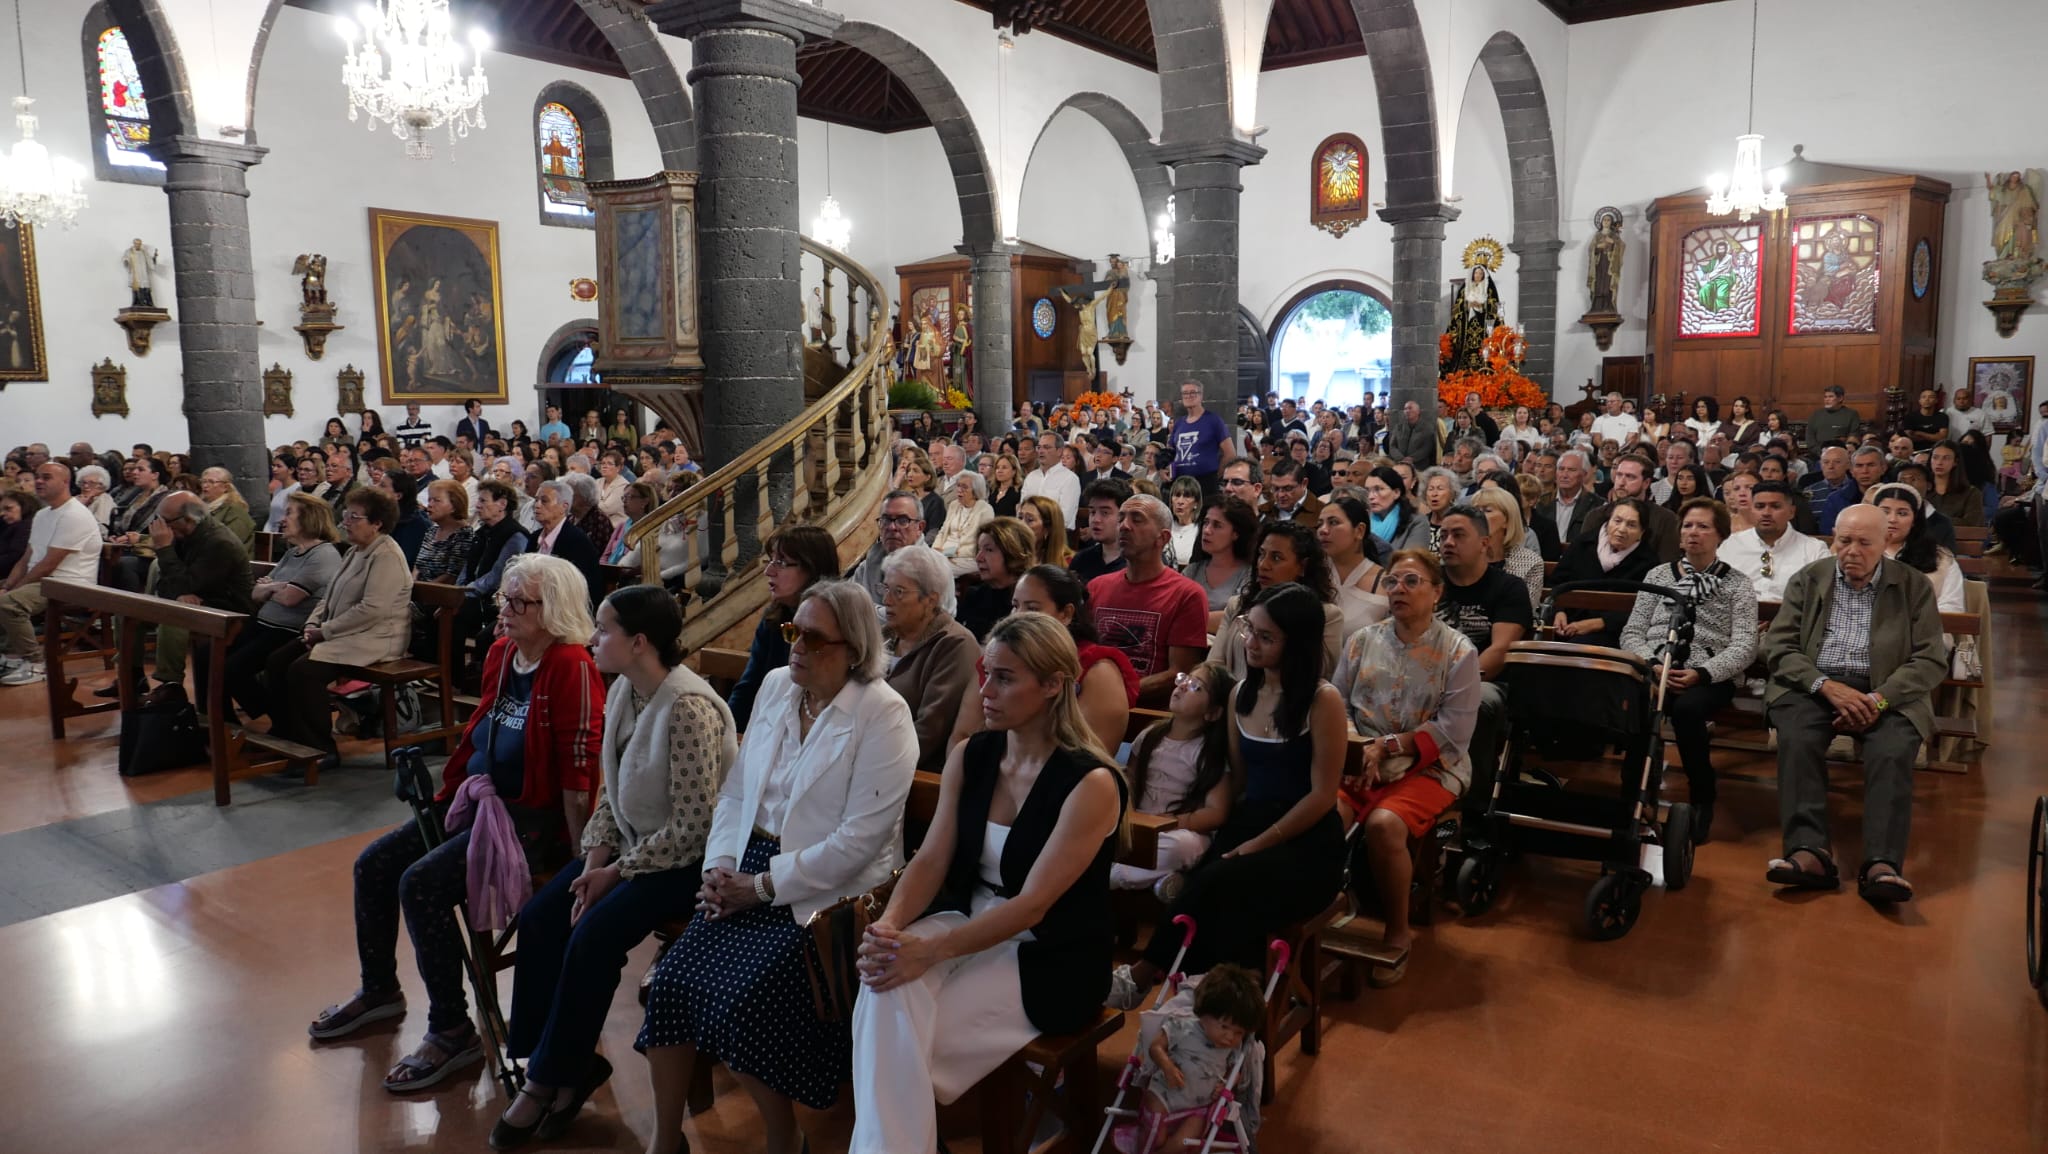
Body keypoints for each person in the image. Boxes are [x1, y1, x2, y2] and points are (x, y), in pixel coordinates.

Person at [306, 554, 601, 1093]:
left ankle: (451, 1028)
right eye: (503, 599)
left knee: (420, 885)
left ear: (553, 609)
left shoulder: (571, 665)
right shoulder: (502, 652)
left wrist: (578, 857)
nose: (504, 611)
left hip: (532, 819)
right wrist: (451, 794)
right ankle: (380, 990)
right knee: (374, 865)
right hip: (480, 800)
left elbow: (579, 770)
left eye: (518, 602)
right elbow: (480, 732)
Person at [640, 581, 916, 1154]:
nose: (795, 646)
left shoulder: (883, 714)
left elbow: (859, 843)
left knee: (746, 1001)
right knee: (667, 985)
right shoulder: (775, 688)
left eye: (814, 638)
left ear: (855, 649)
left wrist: (761, 887)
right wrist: (718, 871)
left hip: (825, 892)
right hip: (745, 867)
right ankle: (666, 1140)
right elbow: (736, 795)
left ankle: (783, 1137)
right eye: (794, 630)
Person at [848, 612, 1124, 1154]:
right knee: (884, 989)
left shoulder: (1091, 781)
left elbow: (1032, 906)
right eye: (985, 673)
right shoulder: (971, 755)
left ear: (1051, 685)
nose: (986, 691)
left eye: (1004, 677)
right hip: (971, 922)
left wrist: (928, 951)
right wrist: (889, 929)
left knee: (896, 1049)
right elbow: (930, 858)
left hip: (1052, 954)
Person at [490, 586, 738, 1148]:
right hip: (632, 852)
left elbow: (694, 828)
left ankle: (546, 1080)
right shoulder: (627, 687)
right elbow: (613, 793)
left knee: (593, 935)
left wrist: (615, 871)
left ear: (640, 642)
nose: (593, 638)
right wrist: (596, 855)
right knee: (541, 916)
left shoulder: (689, 708)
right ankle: (555, 1063)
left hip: (686, 865)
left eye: (603, 629)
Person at [1108, 583, 1347, 1004]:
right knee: (1217, 888)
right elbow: (1238, 780)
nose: (1251, 644)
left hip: (1306, 841)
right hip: (1250, 822)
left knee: (1219, 883)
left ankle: (1157, 978)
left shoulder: (1321, 700)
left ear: (1298, 643)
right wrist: (1216, 829)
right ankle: (1218, 1003)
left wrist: (1258, 842)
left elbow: (1323, 795)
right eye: (1248, 630)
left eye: (1266, 637)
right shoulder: (1241, 694)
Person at [1761, 505, 1946, 905]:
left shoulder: (1912, 585)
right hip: (1814, 685)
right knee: (1797, 738)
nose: (1852, 551)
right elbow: (1778, 646)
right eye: (1844, 540)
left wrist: (1880, 699)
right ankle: (1809, 852)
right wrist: (1824, 685)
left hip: (1887, 689)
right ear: (1833, 539)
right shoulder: (1809, 579)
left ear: (1886, 543)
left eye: (1864, 542)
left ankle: (1882, 863)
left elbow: (1931, 659)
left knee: (1893, 750)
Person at [1330, 549, 1480, 982]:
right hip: (1361, 758)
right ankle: (1313, 915)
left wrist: (1389, 746)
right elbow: (1336, 701)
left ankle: (1397, 931)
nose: (1399, 590)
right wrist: (1357, 749)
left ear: (1437, 592)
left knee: (1383, 824)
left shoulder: (1458, 651)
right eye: (1392, 581)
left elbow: (1453, 730)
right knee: (1324, 815)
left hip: (1431, 766)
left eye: (1412, 582)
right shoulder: (1362, 639)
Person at [1620, 499, 1759, 843]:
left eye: (1703, 527)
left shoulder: (1737, 583)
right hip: (1656, 666)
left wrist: (1702, 672)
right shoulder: (1658, 575)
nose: (1692, 533)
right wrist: (1652, 664)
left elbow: (1744, 644)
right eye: (1687, 526)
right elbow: (1632, 631)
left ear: (1720, 536)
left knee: (1687, 710)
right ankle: (1634, 798)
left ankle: (1701, 798)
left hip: (1708, 673)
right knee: (1641, 707)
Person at [261, 488, 414, 770]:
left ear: (377, 523)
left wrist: (325, 631)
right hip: (343, 633)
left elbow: (373, 609)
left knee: (303, 671)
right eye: (345, 515)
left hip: (376, 639)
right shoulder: (357, 551)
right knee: (276, 660)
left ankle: (321, 748)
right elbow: (329, 596)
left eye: (354, 517)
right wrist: (312, 624)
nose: (345, 522)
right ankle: (290, 734)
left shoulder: (387, 556)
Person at [1433, 504, 1531, 817]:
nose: (1447, 541)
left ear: (1484, 543)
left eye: (1458, 535)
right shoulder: (1427, 581)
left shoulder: (1508, 587)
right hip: (1424, 672)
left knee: (1479, 702)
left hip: (1486, 679)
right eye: (1443, 534)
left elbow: (1501, 650)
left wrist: (1452, 686)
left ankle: (1469, 808)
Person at [1114, 661, 1235, 896]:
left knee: (1178, 847)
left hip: (1182, 831)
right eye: (1184, 679)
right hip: (1140, 824)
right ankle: (1165, 881)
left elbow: (1216, 812)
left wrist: (1174, 822)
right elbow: (1130, 781)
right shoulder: (1150, 735)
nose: (1181, 686)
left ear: (1213, 713)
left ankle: (1107, 877)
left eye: (1196, 687)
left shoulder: (1208, 752)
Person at [1122, 964, 1267, 1154]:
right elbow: (1156, 1047)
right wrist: (1167, 1067)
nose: (1230, 1037)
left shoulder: (1233, 1046)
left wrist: (1227, 1085)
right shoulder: (1184, 1025)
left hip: (1199, 1107)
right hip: (1164, 1094)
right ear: (1203, 1013)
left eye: (1238, 1032)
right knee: (1156, 1136)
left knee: (1183, 1143)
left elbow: (1234, 1070)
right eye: (1224, 1027)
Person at [224, 493, 342, 721]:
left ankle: (279, 718)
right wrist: (277, 587)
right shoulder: (292, 553)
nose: (282, 519)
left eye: (289, 513)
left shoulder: (323, 555)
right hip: (263, 624)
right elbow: (255, 593)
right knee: (208, 654)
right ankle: (222, 720)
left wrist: (271, 588)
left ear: (309, 518)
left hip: (286, 631)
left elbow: (291, 599)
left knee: (232, 668)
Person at [1087, 495, 1210, 706]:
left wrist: (1113, 694)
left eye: (1137, 519)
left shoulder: (1186, 594)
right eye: (1121, 518)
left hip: (1148, 719)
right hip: (1094, 709)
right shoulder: (1097, 587)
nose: (1124, 526)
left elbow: (1179, 673)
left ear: (1162, 538)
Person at [147, 491, 255, 709]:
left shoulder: (219, 542)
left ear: (188, 520)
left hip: (231, 612)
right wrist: (179, 592)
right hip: (202, 602)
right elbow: (168, 583)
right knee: (125, 614)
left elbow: (182, 583)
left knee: (173, 618)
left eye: (165, 522)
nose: (161, 528)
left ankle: (171, 685)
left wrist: (164, 549)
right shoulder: (185, 535)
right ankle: (131, 676)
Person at [881, 544, 981, 776]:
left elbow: (929, 730)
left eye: (898, 592)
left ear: (931, 600)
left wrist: (871, 762)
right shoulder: (885, 636)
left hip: (913, 772)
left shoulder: (955, 645)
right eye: (885, 588)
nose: (886, 600)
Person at [729, 525, 840, 732]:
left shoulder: (838, 624)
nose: (768, 571)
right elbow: (750, 686)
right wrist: (726, 733)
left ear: (811, 568)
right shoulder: (775, 617)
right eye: (770, 561)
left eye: (780, 563)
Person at [0, 465, 100, 687]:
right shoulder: (42, 514)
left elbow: (48, 564)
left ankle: (35, 663)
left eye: (46, 477)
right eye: (37, 477)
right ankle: (8, 657)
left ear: (65, 482)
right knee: (5, 594)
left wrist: (12, 591)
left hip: (69, 584)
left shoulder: (74, 514)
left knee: (9, 604)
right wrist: (8, 584)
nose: (39, 482)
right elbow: (27, 558)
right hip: (44, 581)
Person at [1550, 499, 1658, 646]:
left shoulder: (1648, 562)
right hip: (1565, 623)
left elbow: (1645, 610)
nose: (1621, 529)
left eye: (1631, 525)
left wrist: (1598, 623)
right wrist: (1559, 611)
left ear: (1642, 532)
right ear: (1608, 522)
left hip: (1612, 633)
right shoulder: (1583, 544)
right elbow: (1556, 582)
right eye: (1617, 521)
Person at [1719, 480, 1831, 602]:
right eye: (1760, 506)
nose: (1766, 513)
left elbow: (1821, 599)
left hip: (1792, 618)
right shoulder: (1731, 545)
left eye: (1775, 506)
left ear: (1791, 512)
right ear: (1752, 510)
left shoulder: (1814, 550)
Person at [1868, 483, 1967, 615]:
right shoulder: (1857, 552)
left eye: (1902, 513)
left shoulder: (1940, 558)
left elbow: (1952, 607)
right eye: (1885, 512)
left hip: (1925, 630)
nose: (1892, 519)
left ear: (1914, 519)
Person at [1576, 455, 1679, 563]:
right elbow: (1581, 558)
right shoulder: (1595, 516)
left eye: (1630, 477)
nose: (1621, 482)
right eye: (1619, 475)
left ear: (1646, 483)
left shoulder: (1666, 519)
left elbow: (1667, 566)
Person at [1317, 495, 1392, 639]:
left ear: (1359, 530)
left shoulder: (1384, 582)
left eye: (1333, 522)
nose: (1323, 530)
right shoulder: (1310, 574)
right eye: (1320, 524)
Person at [1468, 487, 1544, 616]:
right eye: (1475, 510)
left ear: (1507, 520)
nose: (1478, 516)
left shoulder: (1531, 562)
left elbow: (1523, 613)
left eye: (1487, 510)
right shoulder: (1462, 555)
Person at [1183, 495, 1256, 628]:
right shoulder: (1192, 571)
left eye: (1217, 525)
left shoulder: (1249, 573)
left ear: (1236, 533)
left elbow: (1238, 618)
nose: (1207, 530)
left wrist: (1188, 620)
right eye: (1206, 522)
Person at [527, 479, 602, 603]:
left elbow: (580, 589)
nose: (537, 505)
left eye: (544, 501)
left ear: (564, 507)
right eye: (536, 500)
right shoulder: (534, 537)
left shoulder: (577, 541)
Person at [959, 517, 1030, 641]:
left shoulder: (1025, 603)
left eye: (989, 550)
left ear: (1013, 553)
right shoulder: (974, 595)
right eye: (979, 549)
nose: (978, 558)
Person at [930, 470, 995, 577]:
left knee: (936, 570)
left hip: (969, 557)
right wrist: (936, 549)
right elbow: (943, 531)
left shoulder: (985, 509)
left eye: (964, 487)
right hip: (944, 554)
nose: (959, 490)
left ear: (975, 491)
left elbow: (982, 541)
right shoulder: (954, 505)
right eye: (958, 486)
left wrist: (952, 554)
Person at [1070, 478, 1133, 583]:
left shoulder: (1137, 563)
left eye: (1105, 513)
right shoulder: (1082, 559)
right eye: (1092, 512)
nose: (1096, 520)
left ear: (1123, 515)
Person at [1818, 446, 1887, 534]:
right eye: (1859, 466)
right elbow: (1827, 533)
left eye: (1871, 465)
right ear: (1851, 471)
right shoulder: (1835, 500)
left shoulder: (1896, 496)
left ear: (1883, 468)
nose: (1865, 471)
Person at [1021, 430, 1081, 530]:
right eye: (1039, 447)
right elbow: (1022, 510)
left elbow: (1065, 518)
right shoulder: (1031, 477)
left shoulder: (1070, 479)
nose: (1041, 451)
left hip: (1057, 536)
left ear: (1059, 451)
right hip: (1028, 534)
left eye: (1046, 447)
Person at [1362, 466, 1429, 553]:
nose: (1370, 496)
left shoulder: (1416, 522)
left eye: (1378, 489)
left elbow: (1412, 560)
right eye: (1367, 490)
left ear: (1396, 493)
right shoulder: (1363, 522)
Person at [1926, 440, 1985, 528]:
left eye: (1946, 458)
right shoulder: (1921, 490)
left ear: (1955, 462)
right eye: (1935, 457)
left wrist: (1933, 520)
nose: (1939, 462)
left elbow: (1972, 523)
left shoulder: (1971, 493)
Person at [1018, 493, 1071, 569]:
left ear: (1048, 527)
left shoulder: (1068, 563)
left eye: (1030, 520)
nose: (1021, 524)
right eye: (1020, 517)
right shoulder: (1011, 557)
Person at [1383, 399, 1438, 466]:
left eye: (1410, 408)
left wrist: (1412, 458)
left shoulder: (1427, 428)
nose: (1407, 411)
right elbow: (1392, 445)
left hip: (1419, 465)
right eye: (1405, 409)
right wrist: (1401, 458)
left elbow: (1427, 447)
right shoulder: (1399, 427)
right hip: (1400, 463)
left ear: (1418, 411)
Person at [1166, 475, 1204, 565]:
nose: (1180, 501)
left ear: (1196, 503)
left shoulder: (1201, 530)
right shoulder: (1164, 526)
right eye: (1177, 495)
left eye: (1187, 496)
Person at [987, 451, 1022, 520]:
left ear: (1014, 471)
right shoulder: (991, 489)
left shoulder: (1019, 492)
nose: (999, 470)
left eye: (1004, 467)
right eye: (997, 467)